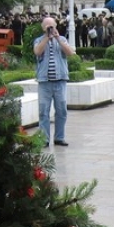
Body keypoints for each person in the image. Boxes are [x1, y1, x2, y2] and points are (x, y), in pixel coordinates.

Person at [34, 16, 76, 147]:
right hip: (44, 81)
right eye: (47, 26)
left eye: (52, 26)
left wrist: (57, 38)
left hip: (60, 81)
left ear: (56, 26)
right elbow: (37, 51)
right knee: (43, 111)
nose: (50, 28)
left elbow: (70, 53)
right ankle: (44, 139)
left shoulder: (62, 39)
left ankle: (59, 137)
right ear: (43, 28)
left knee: (61, 110)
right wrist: (47, 37)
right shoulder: (39, 40)